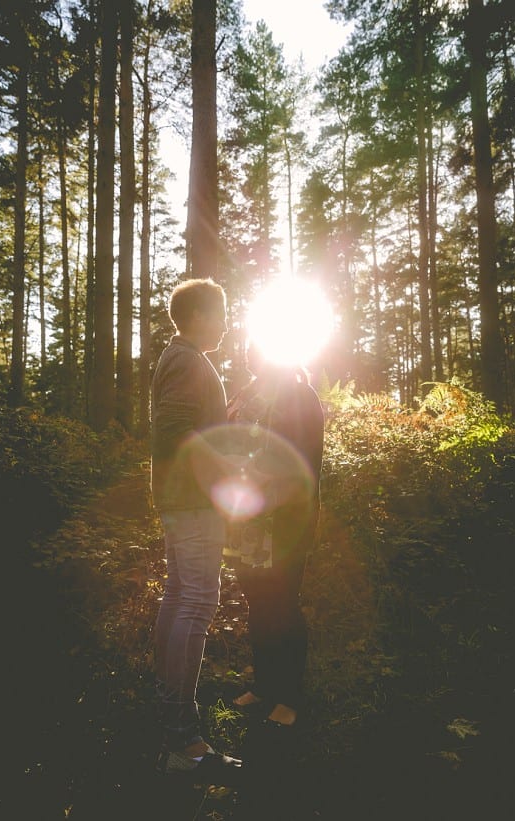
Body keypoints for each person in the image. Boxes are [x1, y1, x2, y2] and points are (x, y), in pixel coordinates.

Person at [150, 277, 244, 780]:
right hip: (192, 501)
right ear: (201, 315)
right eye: (222, 312)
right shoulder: (188, 359)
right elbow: (176, 430)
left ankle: (168, 713)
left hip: (180, 498)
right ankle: (183, 743)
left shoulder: (181, 358)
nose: (227, 323)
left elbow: (185, 426)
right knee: (197, 601)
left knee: (178, 595)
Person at [226, 341, 324, 751]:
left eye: (259, 349)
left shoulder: (300, 396)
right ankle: (264, 685)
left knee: (282, 602)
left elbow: (302, 460)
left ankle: (289, 697)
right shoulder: (247, 395)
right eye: (249, 350)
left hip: (286, 518)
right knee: (258, 602)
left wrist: (259, 473)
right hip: (249, 520)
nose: (250, 355)